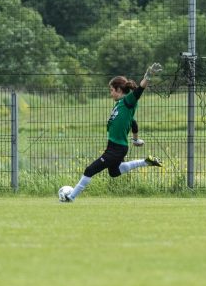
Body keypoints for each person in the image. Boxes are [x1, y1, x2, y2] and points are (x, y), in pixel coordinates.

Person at [60, 63, 164, 202]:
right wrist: (135, 139)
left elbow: (139, 90)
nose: (111, 93)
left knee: (89, 170)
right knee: (114, 172)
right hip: (114, 147)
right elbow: (133, 122)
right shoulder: (120, 105)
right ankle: (146, 162)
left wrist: (148, 76)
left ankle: (71, 197)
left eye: (112, 90)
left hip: (117, 148)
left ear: (119, 90)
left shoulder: (128, 101)